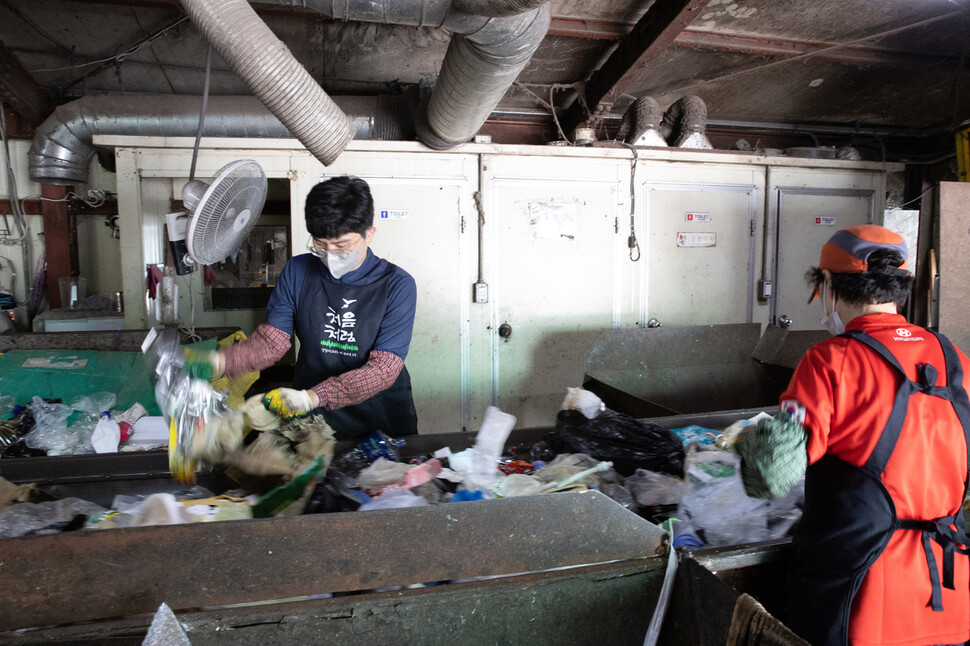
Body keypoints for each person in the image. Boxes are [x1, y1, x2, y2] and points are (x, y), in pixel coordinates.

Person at [740, 224, 970, 646]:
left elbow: (769, 476)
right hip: (946, 590)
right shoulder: (956, 359)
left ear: (828, 285)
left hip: (860, 593)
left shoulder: (831, 360)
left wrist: (756, 439)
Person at [205, 175, 418, 440]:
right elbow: (273, 343)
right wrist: (220, 362)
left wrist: (312, 397)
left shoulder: (397, 284)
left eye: (342, 246)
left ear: (369, 235)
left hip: (380, 416)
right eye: (320, 245)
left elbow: (384, 368)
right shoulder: (298, 270)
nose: (330, 256)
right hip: (316, 420)